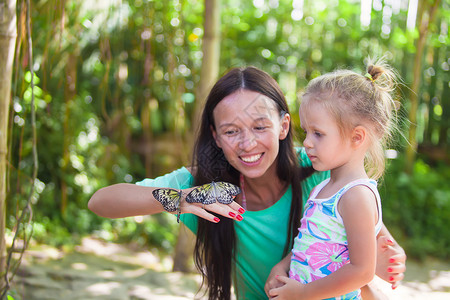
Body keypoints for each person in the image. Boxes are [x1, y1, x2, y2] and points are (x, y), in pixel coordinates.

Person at [88, 66, 406, 300]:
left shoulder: (322, 167)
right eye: (231, 131)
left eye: (259, 126)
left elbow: (380, 258)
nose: (247, 144)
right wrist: (182, 198)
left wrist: (385, 260)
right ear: (215, 136)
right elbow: (101, 202)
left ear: (283, 126)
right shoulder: (205, 185)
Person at [266, 60, 401, 300]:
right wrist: (283, 266)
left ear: (357, 137)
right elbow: (312, 243)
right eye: (306, 131)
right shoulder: (323, 187)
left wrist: (304, 293)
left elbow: (362, 271)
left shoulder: (356, 196)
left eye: (318, 133)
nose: (307, 142)